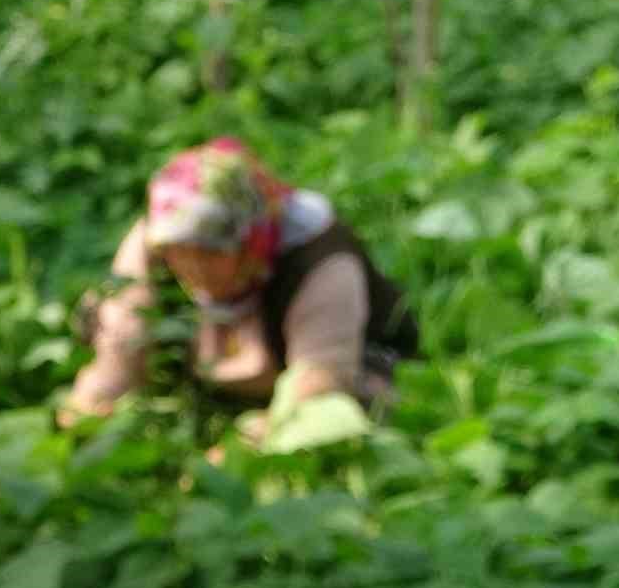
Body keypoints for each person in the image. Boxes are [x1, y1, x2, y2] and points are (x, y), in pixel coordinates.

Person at [57, 137, 419, 434]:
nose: (194, 268)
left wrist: (253, 446)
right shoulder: (155, 243)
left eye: (212, 253)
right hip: (208, 375)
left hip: (331, 365)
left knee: (353, 411)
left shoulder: (322, 265)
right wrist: (95, 403)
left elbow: (319, 383)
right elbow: (123, 337)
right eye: (182, 252)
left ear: (251, 243)